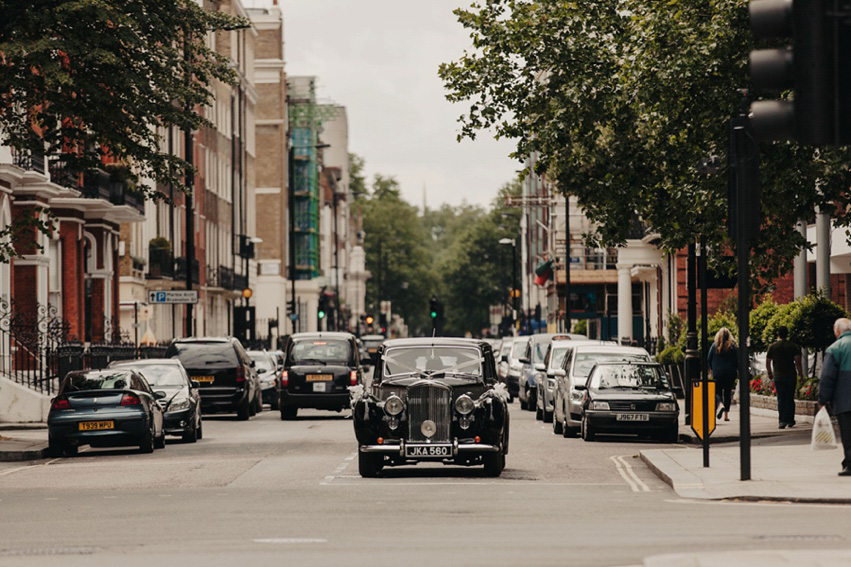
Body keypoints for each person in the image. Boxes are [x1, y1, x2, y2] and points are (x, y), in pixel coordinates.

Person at [818, 318, 851, 477]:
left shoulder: (835, 348)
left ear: (837, 332)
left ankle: (850, 464)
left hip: (845, 399)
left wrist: (822, 399)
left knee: (848, 432)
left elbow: (827, 377)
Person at [766, 326, 803, 429]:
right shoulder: (793, 346)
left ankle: (782, 421)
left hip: (778, 376)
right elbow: (798, 362)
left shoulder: (772, 347)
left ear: (778, 334)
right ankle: (790, 420)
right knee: (790, 398)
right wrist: (801, 375)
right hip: (791, 376)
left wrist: (770, 373)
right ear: (787, 334)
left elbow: (768, 361)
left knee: (781, 399)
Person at [708, 327, 738, 422]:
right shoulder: (732, 347)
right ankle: (726, 415)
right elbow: (737, 360)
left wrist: (711, 369)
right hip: (730, 373)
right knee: (728, 393)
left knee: (717, 392)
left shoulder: (714, 346)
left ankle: (720, 404)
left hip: (717, 373)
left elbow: (709, 359)